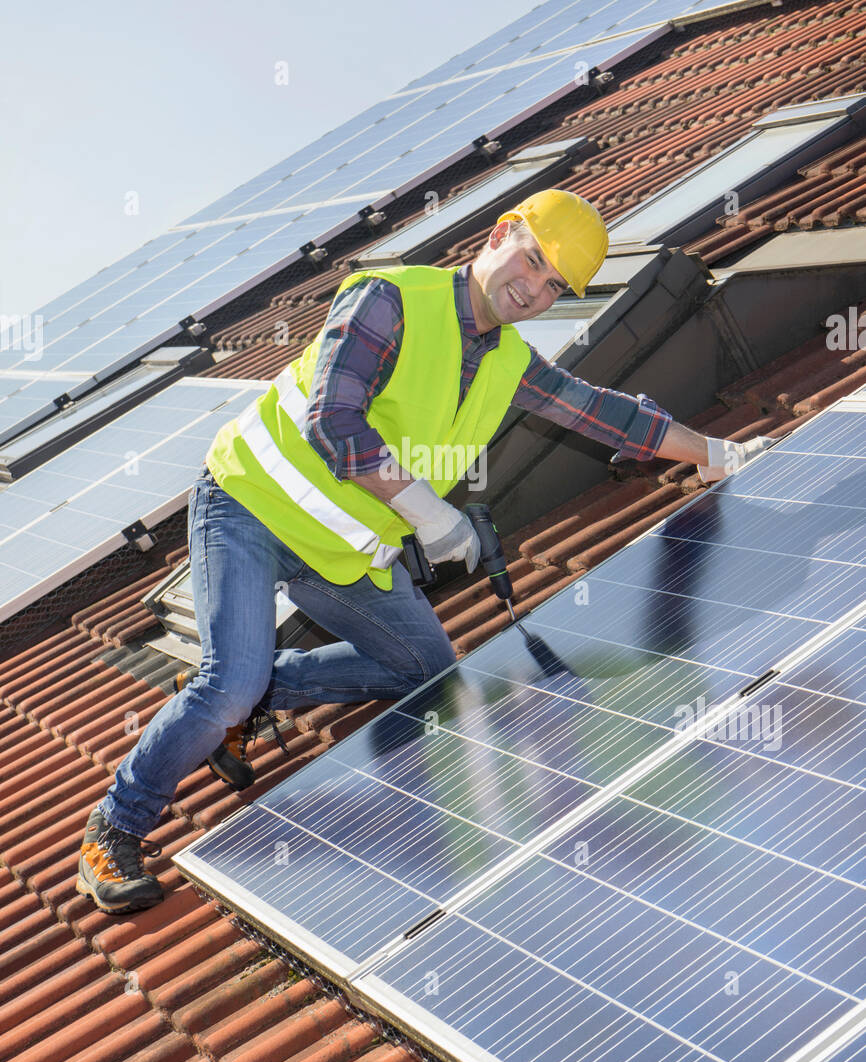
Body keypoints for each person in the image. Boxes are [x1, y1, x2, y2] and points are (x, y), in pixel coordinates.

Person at [76, 189, 772, 913]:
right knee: (225, 681)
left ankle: (262, 693)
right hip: (249, 504)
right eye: (532, 261)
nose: (532, 289)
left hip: (340, 550)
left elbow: (604, 412)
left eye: (554, 285)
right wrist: (427, 512)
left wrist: (712, 450)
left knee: (424, 672)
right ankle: (115, 825)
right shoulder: (391, 300)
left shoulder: (510, 363)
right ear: (503, 233)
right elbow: (333, 421)